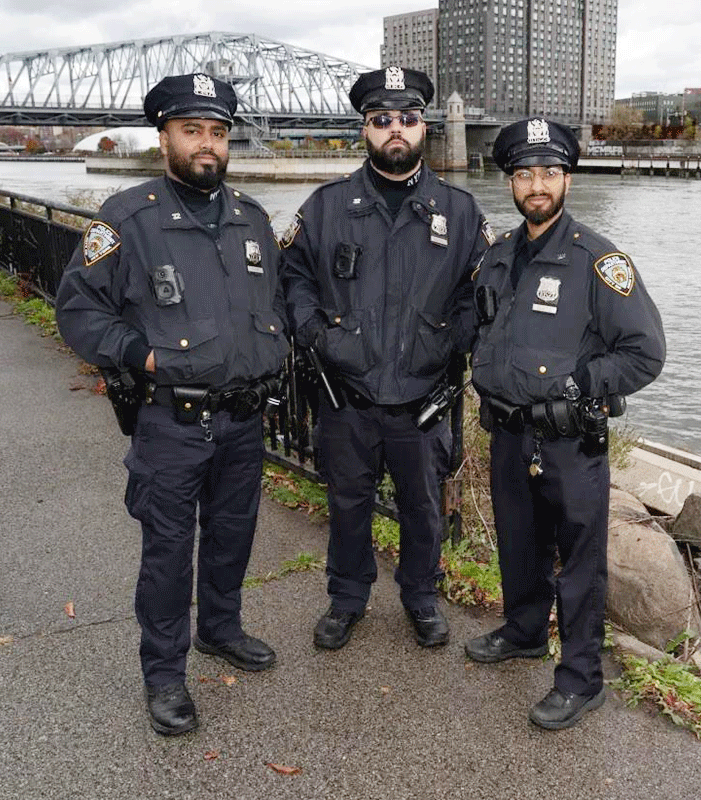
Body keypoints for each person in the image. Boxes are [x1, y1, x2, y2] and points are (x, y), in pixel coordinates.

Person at [55, 73, 289, 736]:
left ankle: (220, 629)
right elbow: (77, 308)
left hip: (244, 419)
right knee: (167, 550)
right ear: (165, 139)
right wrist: (143, 355)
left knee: (233, 536)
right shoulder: (126, 218)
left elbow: (269, 307)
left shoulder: (253, 219)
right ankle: (164, 676)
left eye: (217, 132)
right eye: (192, 131)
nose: (207, 145)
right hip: (171, 420)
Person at [463, 118, 665, 730]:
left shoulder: (598, 261)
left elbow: (644, 354)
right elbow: (481, 332)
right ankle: (524, 630)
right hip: (508, 432)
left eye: (549, 172)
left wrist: (578, 387)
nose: (537, 184)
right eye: (524, 174)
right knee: (519, 543)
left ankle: (581, 678)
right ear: (511, 183)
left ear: (567, 179)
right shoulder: (497, 257)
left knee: (579, 560)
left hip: (570, 440)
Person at [281, 67, 492, 651]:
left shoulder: (461, 211)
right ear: (365, 129)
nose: (395, 130)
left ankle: (421, 598)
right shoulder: (326, 208)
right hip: (346, 395)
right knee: (348, 505)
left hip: (423, 399)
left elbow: (485, 291)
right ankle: (346, 599)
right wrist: (316, 334)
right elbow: (293, 277)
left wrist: (453, 342)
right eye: (381, 121)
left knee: (423, 509)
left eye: (407, 118)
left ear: (423, 126)